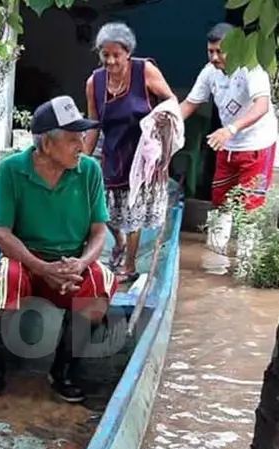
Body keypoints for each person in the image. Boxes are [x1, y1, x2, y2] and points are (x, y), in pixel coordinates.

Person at [0, 95, 115, 404]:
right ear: (47, 145)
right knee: (7, 278)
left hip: (70, 263)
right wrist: (42, 268)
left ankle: (64, 369)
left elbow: (98, 232)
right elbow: (0, 232)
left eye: (82, 136)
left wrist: (79, 264)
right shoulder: (12, 169)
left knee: (101, 281)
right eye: (72, 138)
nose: (82, 144)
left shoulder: (89, 170)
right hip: (27, 261)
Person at [84, 21, 177, 283]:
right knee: (102, 209)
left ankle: (129, 266)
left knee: (132, 212)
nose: (111, 61)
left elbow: (170, 101)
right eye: (105, 55)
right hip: (113, 152)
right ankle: (119, 241)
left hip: (143, 156)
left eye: (117, 54)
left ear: (128, 52)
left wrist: (159, 123)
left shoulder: (145, 70)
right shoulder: (94, 82)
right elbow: (93, 124)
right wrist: (82, 160)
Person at [179, 22, 279, 254]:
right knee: (220, 201)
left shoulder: (252, 69)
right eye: (210, 51)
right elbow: (190, 104)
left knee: (250, 208)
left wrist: (231, 129)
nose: (214, 57)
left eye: (219, 51)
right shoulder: (209, 72)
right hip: (228, 145)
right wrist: (167, 122)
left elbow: (262, 106)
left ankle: (246, 263)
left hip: (257, 144)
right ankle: (214, 256)